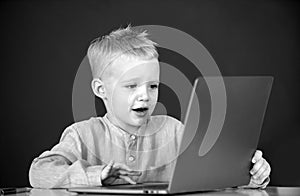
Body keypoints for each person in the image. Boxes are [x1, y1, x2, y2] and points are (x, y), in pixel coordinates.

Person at [29, 26, 271, 188]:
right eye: (131, 86)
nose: (145, 96)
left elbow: (212, 176)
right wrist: (96, 176)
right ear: (101, 90)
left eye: (153, 86)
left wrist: (250, 175)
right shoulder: (82, 134)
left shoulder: (172, 130)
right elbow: (39, 172)